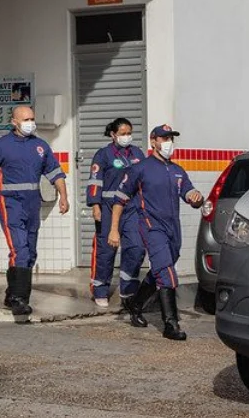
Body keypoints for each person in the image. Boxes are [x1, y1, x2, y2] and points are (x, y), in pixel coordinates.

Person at [109, 124, 204, 340]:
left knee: (163, 267)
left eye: (171, 138)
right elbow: (119, 200)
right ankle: (171, 324)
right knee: (167, 272)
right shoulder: (141, 169)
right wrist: (114, 230)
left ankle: (135, 304)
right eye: (164, 138)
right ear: (153, 142)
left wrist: (196, 197)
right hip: (152, 227)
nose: (169, 142)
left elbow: (189, 194)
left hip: (173, 228)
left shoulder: (178, 170)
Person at [0, 105, 70, 316]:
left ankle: (11, 293)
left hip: (32, 204)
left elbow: (56, 173)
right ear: (14, 122)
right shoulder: (1, 146)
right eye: (26, 119)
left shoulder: (40, 146)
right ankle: (20, 299)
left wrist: (64, 197)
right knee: (20, 250)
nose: (30, 123)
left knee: (30, 252)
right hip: (11, 204)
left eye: (32, 119)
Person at [86, 118, 147, 309]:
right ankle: (100, 289)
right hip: (108, 207)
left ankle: (128, 289)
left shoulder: (137, 154)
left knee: (136, 247)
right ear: (113, 135)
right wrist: (95, 205)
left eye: (129, 133)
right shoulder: (103, 155)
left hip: (132, 208)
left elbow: (145, 179)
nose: (127, 136)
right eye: (123, 133)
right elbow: (95, 181)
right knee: (106, 250)